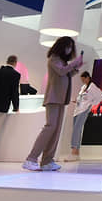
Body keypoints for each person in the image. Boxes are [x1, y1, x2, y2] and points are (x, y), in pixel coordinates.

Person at [22, 37, 82, 172]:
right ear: (62, 46)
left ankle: (47, 160)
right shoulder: (54, 58)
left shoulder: (62, 61)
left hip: (61, 99)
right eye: (68, 46)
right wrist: (74, 64)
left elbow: (66, 74)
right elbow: (61, 71)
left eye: (71, 47)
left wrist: (76, 67)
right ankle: (31, 158)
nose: (69, 49)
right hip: (53, 98)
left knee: (56, 130)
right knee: (50, 127)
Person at [63, 71, 102, 162]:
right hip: (77, 110)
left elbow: (101, 96)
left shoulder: (92, 87)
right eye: (82, 80)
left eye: (84, 79)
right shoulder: (83, 87)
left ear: (88, 77)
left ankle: (74, 152)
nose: (83, 81)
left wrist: (91, 104)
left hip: (83, 110)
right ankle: (76, 153)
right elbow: (81, 98)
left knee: (76, 129)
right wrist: (76, 100)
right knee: (76, 129)